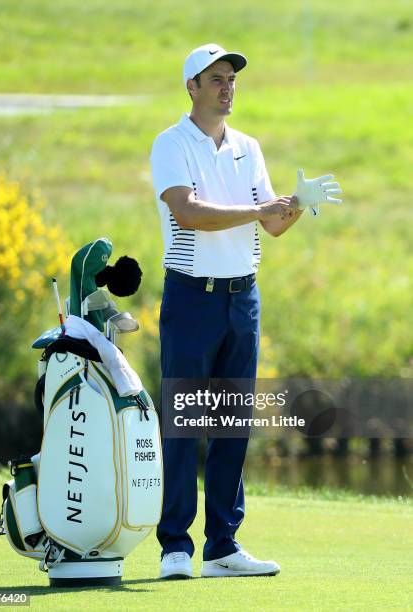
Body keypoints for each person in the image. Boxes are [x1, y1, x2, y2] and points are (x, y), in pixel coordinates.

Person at [150, 43, 342, 580]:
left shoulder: (249, 148)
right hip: (191, 296)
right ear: (192, 86)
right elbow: (187, 214)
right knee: (186, 423)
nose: (227, 87)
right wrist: (261, 209)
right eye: (216, 79)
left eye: (232, 78)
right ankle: (175, 548)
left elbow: (273, 226)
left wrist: (298, 204)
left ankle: (222, 547)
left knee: (232, 423)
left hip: (242, 298)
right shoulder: (171, 144)